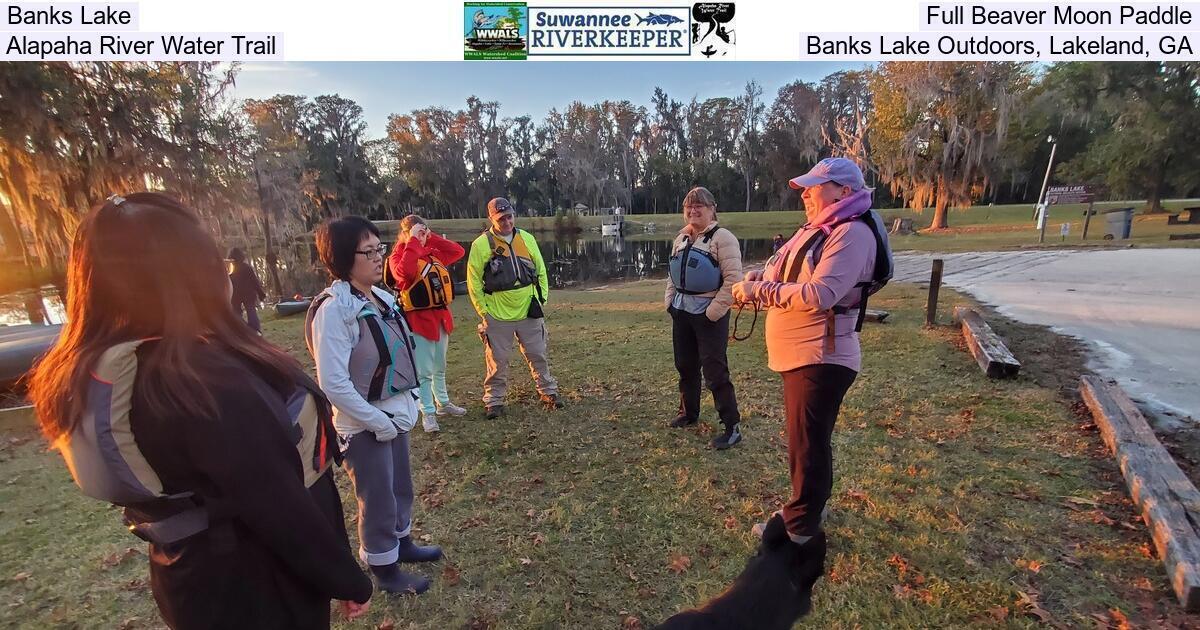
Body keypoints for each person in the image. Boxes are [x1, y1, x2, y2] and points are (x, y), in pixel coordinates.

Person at [28, 193, 372, 629]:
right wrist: (346, 580)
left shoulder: (99, 367)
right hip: (260, 583)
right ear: (187, 275)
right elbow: (279, 506)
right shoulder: (202, 383)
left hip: (187, 574)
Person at [732, 157, 880, 552]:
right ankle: (810, 509)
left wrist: (757, 293)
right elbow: (791, 274)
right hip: (804, 354)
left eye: (815, 187)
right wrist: (760, 278)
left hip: (821, 356)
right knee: (808, 440)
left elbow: (820, 295)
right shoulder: (823, 228)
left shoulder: (851, 233)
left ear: (844, 192)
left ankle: (800, 526)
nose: (806, 195)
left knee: (808, 443)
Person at [306, 216, 443, 596]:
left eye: (379, 249)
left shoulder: (380, 298)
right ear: (343, 259)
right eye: (369, 252)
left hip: (392, 417)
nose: (378, 258)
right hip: (364, 425)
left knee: (400, 486)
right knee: (377, 496)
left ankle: (402, 542)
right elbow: (333, 382)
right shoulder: (335, 310)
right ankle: (384, 568)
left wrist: (408, 403)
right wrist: (375, 420)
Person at [466, 197, 561, 419]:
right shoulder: (480, 245)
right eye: (501, 219)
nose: (507, 222)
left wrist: (542, 297)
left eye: (509, 217)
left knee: (538, 354)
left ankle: (548, 391)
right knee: (497, 360)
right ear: (491, 219)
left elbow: (541, 270)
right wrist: (484, 311)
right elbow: (473, 282)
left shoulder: (526, 238)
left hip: (529, 309)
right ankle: (494, 400)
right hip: (498, 313)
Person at [664, 186, 743, 450]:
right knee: (685, 365)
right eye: (689, 206)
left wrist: (713, 312)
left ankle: (732, 426)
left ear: (712, 209)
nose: (693, 210)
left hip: (710, 315)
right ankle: (689, 412)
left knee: (714, 371)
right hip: (682, 311)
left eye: (700, 206)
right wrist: (670, 302)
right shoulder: (682, 238)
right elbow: (673, 273)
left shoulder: (724, 238)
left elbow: (733, 280)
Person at [387, 215, 468, 433]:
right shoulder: (398, 256)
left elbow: (457, 252)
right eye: (416, 232)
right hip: (419, 321)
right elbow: (404, 273)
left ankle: (442, 403)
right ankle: (428, 412)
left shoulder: (431, 252)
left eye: (423, 232)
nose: (421, 237)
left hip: (440, 317)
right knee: (424, 371)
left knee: (439, 366)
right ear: (404, 233)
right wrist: (412, 241)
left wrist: (430, 238)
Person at [227, 247, 266, 333]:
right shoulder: (247, 268)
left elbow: (227, 284)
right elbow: (255, 281)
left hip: (236, 294)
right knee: (250, 310)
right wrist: (261, 293)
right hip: (247, 294)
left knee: (237, 312)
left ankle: (242, 329)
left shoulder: (231, 271)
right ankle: (255, 329)